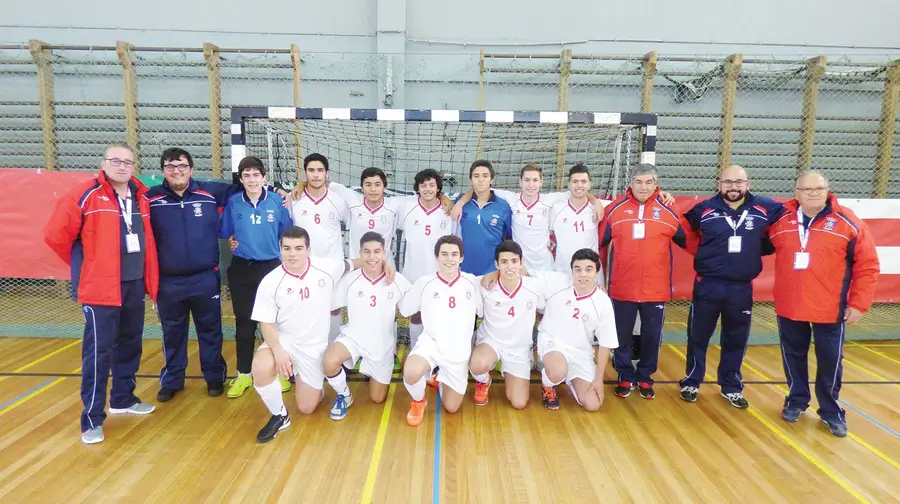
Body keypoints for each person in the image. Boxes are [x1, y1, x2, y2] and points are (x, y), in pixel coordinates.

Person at [44, 142, 160, 445]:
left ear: (134, 166)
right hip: (101, 289)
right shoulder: (85, 194)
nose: (122, 166)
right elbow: (56, 236)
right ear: (104, 163)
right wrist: (88, 267)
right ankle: (92, 419)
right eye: (116, 161)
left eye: (128, 162)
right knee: (99, 352)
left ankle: (123, 398)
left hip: (134, 283)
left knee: (131, 344)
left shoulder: (140, 196)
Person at [249, 226, 394, 442]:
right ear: (280, 249)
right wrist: (278, 350)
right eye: (287, 248)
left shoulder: (327, 268)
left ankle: (314, 388)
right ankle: (280, 415)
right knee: (260, 368)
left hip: (313, 348)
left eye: (298, 248)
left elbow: (358, 261)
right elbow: (266, 323)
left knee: (307, 408)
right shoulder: (270, 281)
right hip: (285, 341)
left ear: (308, 249)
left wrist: (385, 263)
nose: (292, 254)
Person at [767, 171, 879, 437]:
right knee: (793, 356)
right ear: (796, 193)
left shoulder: (848, 222)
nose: (813, 193)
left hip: (831, 308)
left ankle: (830, 411)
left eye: (818, 188)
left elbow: (868, 265)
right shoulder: (780, 219)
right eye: (806, 189)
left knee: (830, 360)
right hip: (790, 303)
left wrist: (859, 304)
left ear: (828, 190)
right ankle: (796, 400)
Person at [678, 164, 784, 408]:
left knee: (736, 338)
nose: (733, 187)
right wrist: (704, 256)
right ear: (719, 184)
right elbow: (686, 234)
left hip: (741, 288)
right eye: (728, 182)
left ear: (748, 184)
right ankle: (692, 381)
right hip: (708, 285)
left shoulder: (767, 208)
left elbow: (779, 234)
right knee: (698, 336)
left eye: (738, 182)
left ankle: (731, 385)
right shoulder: (703, 209)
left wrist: (757, 251)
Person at [146, 147, 232, 402]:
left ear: (191, 170)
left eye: (182, 166)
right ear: (163, 171)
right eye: (171, 166)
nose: (177, 171)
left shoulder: (209, 193)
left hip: (205, 278)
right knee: (173, 333)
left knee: (211, 330)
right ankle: (172, 380)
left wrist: (280, 192)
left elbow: (246, 187)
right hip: (169, 281)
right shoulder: (150, 199)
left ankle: (214, 377)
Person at [599, 164, 687, 400]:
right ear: (631, 183)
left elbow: (688, 241)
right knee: (622, 336)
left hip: (655, 290)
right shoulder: (615, 210)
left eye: (649, 182)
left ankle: (646, 377)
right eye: (639, 181)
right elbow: (600, 242)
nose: (643, 187)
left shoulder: (668, 211)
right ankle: (625, 375)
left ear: (656, 184)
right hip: (622, 287)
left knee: (651, 337)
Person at [219, 156, 293, 398]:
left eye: (256, 175)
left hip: (271, 268)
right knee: (244, 323)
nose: (252, 179)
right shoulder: (233, 203)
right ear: (241, 179)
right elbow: (225, 232)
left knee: (274, 323)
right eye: (247, 175)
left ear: (264, 178)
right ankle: (243, 375)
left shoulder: (276, 201)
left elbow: (287, 234)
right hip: (242, 268)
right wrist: (232, 241)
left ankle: (280, 371)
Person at [452, 163, 608, 271]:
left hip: (546, 266)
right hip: (520, 268)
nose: (531, 185)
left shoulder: (549, 200)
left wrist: (596, 203)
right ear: (520, 181)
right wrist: (460, 203)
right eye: (527, 180)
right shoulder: (511, 199)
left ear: (541, 182)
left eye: (535, 180)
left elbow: (580, 190)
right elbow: (481, 188)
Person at [324, 231, 412, 420]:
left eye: (377, 252)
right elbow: (330, 305)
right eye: (367, 252)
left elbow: (414, 306)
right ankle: (344, 395)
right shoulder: (350, 279)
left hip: (382, 345)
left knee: (377, 399)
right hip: (353, 338)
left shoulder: (397, 280)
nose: (372, 257)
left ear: (384, 252)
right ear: (360, 253)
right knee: (329, 361)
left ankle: (372, 371)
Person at [398, 235, 482, 426]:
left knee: (452, 408)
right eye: (444, 254)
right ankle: (418, 401)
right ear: (436, 257)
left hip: (458, 353)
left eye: (454, 254)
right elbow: (404, 309)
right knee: (411, 372)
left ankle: (438, 377)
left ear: (461, 258)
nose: (449, 259)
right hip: (431, 345)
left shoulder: (473, 283)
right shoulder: (424, 282)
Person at [535, 249, 618, 411]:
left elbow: (606, 343)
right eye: (577, 269)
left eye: (588, 269)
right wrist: (494, 274)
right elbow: (523, 273)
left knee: (593, 404)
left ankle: (570, 378)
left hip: (581, 354)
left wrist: (599, 379)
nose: (583, 275)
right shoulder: (558, 282)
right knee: (558, 371)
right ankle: (548, 384)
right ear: (571, 270)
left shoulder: (603, 302)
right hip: (553, 342)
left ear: (597, 272)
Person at [468, 240, 543, 409]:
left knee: (518, 403)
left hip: (518, 349)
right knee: (477, 365)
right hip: (491, 341)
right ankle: (483, 382)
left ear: (521, 263)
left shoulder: (535, 285)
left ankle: (507, 367)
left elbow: (565, 281)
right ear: (496, 264)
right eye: (504, 262)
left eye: (514, 261)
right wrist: (492, 274)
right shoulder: (484, 285)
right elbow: (459, 280)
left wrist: (596, 286)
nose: (509, 267)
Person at [396, 169, 457, 348]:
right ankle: (416, 350)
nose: (428, 189)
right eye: (423, 185)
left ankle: (440, 352)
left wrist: (445, 198)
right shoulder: (406, 206)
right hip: (414, 272)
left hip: (441, 275)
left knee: (440, 314)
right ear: (418, 188)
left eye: (432, 185)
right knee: (415, 314)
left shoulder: (449, 211)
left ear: (438, 188)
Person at [454, 160, 513, 275]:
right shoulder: (461, 204)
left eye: (485, 176)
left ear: (492, 180)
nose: (481, 180)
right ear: (470, 180)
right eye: (476, 176)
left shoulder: (503, 206)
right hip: (465, 271)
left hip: (493, 272)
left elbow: (509, 238)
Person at [549, 164, 601, 279]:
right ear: (569, 184)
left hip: (590, 276)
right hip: (562, 274)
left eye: (583, 181)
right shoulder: (556, 209)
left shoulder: (598, 209)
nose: (579, 185)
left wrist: (597, 203)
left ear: (590, 184)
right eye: (575, 181)